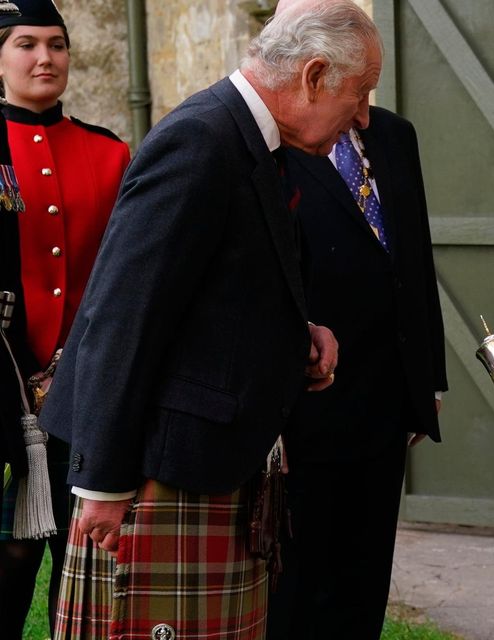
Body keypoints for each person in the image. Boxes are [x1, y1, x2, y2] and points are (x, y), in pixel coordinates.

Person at [36, 1, 385, 637]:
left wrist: (297, 331)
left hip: (202, 465)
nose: (362, 115)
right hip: (155, 478)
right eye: (359, 93)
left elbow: (215, 291)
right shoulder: (201, 140)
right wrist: (105, 481)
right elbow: (125, 311)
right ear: (311, 76)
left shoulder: (252, 140)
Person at [265, 22, 447, 640]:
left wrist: (428, 380)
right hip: (310, 405)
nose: (365, 112)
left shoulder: (396, 136)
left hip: (388, 401)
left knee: (364, 580)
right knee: (300, 583)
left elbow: (414, 260)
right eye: (357, 91)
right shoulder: (272, 144)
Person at [0, 0, 130, 636]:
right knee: (5, 568)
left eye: (56, 44)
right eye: (25, 44)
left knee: (87, 578)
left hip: (87, 395)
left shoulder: (109, 154)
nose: (44, 58)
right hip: (3, 400)